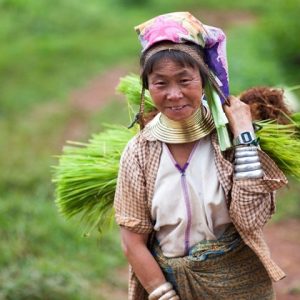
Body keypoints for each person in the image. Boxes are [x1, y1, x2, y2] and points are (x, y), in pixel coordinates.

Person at [114, 12, 287, 300]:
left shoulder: (228, 141)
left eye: (185, 80)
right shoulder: (139, 152)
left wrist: (244, 135)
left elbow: (249, 219)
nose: (174, 94)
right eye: (160, 84)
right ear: (147, 88)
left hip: (238, 281)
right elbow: (132, 241)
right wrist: (164, 294)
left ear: (204, 79)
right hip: (168, 282)